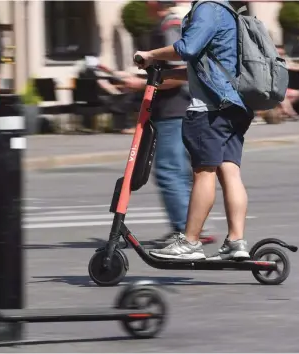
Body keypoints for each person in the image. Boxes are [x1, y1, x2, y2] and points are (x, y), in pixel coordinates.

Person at [132, 0, 254, 260]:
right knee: (229, 172)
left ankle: (190, 241)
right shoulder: (229, 12)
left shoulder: (207, 9)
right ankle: (236, 242)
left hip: (209, 109)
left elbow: (188, 48)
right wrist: (167, 75)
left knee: (203, 173)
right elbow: (207, 66)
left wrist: (152, 54)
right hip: (234, 106)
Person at [123, 0, 216, 245]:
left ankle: (185, 230)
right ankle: (193, 228)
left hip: (175, 110)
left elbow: (179, 71)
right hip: (177, 109)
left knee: (169, 170)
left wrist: (140, 84)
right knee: (181, 171)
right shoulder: (167, 23)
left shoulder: (170, 25)